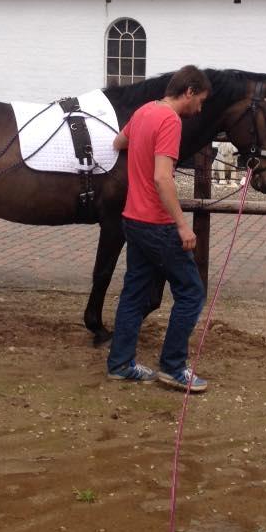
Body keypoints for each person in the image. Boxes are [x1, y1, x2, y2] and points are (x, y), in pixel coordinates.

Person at [107, 65, 212, 392]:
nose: (200, 109)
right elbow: (162, 177)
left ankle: (120, 364)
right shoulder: (170, 120)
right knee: (192, 292)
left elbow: (118, 142)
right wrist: (183, 226)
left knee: (134, 293)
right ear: (190, 91)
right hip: (157, 224)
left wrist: (141, 146)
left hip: (133, 220)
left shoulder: (144, 111)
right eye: (201, 100)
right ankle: (172, 367)